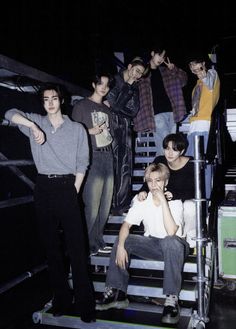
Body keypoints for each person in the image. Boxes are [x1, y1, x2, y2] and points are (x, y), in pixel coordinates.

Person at [4, 83, 96, 323]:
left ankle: (86, 304)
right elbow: (8, 111)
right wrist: (31, 125)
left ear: (61, 100)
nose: (51, 103)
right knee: (51, 248)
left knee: (77, 248)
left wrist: (73, 192)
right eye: (46, 99)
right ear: (43, 102)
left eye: (55, 98)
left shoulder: (77, 129)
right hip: (43, 187)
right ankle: (61, 300)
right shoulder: (37, 122)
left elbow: (82, 163)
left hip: (67, 187)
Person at [96, 163, 189, 325]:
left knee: (170, 241)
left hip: (176, 246)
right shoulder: (142, 201)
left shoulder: (175, 202)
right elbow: (126, 225)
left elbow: (171, 231)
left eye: (158, 180)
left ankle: (171, 299)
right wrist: (120, 247)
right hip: (153, 243)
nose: (154, 185)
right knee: (123, 238)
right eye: (150, 181)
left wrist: (163, 202)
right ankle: (117, 293)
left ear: (165, 182)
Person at [72, 74, 114, 256]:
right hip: (92, 157)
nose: (103, 87)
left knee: (105, 204)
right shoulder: (81, 106)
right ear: (93, 84)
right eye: (100, 84)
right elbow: (72, 133)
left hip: (108, 156)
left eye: (106, 85)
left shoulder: (107, 109)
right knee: (92, 204)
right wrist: (90, 131)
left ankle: (98, 240)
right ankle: (86, 245)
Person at [138, 133, 196, 248]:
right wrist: (143, 190)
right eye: (167, 148)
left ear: (182, 151)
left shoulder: (191, 163)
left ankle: (187, 240)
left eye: (174, 150)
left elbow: (194, 190)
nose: (169, 153)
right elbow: (150, 179)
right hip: (164, 199)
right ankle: (152, 235)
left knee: (190, 207)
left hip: (183, 199)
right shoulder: (160, 160)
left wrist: (174, 195)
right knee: (142, 199)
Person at [105, 57, 146, 215]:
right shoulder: (114, 81)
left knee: (126, 166)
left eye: (141, 73)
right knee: (113, 165)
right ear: (129, 67)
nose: (138, 75)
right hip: (113, 127)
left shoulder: (134, 86)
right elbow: (114, 105)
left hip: (126, 127)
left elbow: (133, 111)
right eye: (136, 71)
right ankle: (110, 204)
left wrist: (118, 106)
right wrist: (127, 87)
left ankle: (121, 204)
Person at [133, 46, 188, 156]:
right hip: (155, 113)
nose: (161, 59)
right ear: (152, 53)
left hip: (173, 112)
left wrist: (174, 69)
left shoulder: (166, 71)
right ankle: (163, 169)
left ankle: (165, 170)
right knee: (166, 144)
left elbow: (184, 81)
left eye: (163, 57)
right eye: (159, 55)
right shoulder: (143, 72)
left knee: (171, 144)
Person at [185, 55, 220, 199]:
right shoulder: (197, 85)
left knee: (204, 165)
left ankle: (205, 198)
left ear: (203, 64)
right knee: (191, 164)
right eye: (192, 68)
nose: (195, 70)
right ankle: (193, 195)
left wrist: (202, 72)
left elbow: (209, 80)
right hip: (194, 127)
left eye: (197, 66)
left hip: (205, 126)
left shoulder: (212, 74)